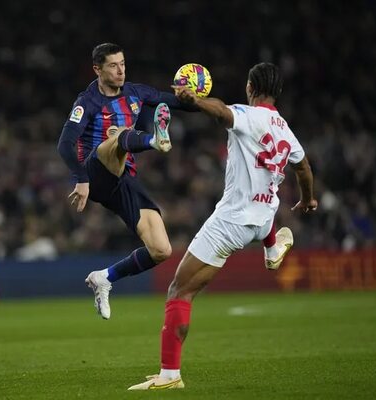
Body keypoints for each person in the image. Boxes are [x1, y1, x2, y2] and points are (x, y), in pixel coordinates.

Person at [128, 62, 317, 390]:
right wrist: (308, 200)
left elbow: (220, 112)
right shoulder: (284, 128)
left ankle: (170, 376)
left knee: (179, 291)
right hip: (263, 218)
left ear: (249, 87)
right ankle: (272, 246)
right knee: (264, 208)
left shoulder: (247, 114)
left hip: (232, 222)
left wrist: (194, 101)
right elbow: (303, 168)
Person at [57, 43, 196, 320]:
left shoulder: (135, 92)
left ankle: (105, 278)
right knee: (118, 134)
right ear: (97, 69)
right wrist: (80, 179)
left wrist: (201, 101)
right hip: (95, 170)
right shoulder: (87, 102)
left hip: (123, 178)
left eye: (122, 64)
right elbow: (65, 144)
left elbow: (178, 102)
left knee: (161, 249)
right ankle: (153, 140)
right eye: (112, 65)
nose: (120, 70)